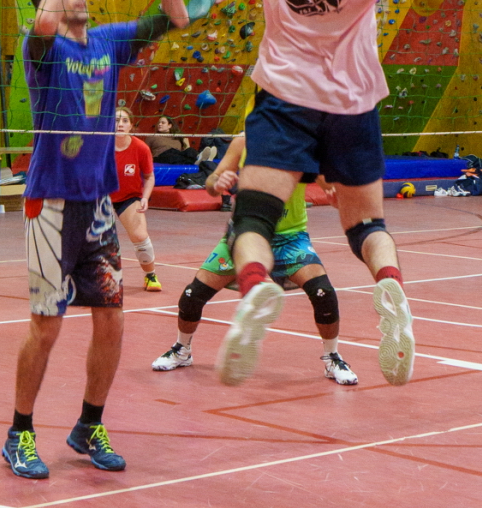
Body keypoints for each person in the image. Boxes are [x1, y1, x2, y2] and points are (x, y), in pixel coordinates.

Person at [88, 0, 475, 387]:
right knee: (366, 227)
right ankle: (390, 285)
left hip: (286, 99)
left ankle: (254, 288)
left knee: (253, 219)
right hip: (352, 104)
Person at [3, 0, 188, 479]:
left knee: (111, 320)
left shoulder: (108, 42)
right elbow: (43, 20)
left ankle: (89, 424)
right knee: (47, 327)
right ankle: (19, 433)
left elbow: (176, 16)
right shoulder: (42, 51)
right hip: (50, 206)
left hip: (99, 207)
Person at [152, 133, 357, 385]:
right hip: (245, 233)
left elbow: (330, 181)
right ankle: (182, 350)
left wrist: (337, 192)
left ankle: (332, 357)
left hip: (289, 238)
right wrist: (217, 182)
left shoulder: (305, 142)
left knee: (323, 292)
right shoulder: (244, 141)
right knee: (192, 295)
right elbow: (211, 183)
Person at [111, 107, 162, 291]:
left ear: (131, 125)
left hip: (129, 198)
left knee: (140, 236)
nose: (120, 124)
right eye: (116, 120)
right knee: (92, 238)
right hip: (101, 198)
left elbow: (149, 176)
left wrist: (145, 198)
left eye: (125, 121)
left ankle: (150, 275)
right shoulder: (100, 146)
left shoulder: (141, 148)